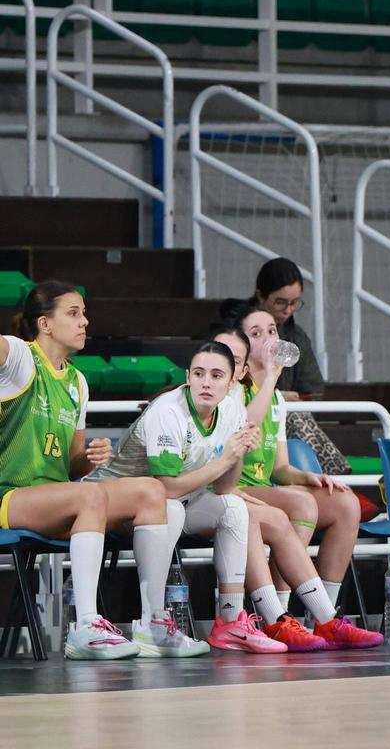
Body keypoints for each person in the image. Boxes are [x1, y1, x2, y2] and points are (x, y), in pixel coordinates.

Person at [0, 281, 185, 659]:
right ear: (45, 324)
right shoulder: (20, 357)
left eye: (84, 313)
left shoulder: (77, 383)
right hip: (10, 498)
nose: (85, 321)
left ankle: (152, 621)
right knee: (90, 495)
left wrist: (90, 456)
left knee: (152, 491)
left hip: (58, 497)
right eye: (73, 313)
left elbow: (70, 467)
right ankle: (84, 625)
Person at [87, 341, 280, 653]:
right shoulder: (168, 411)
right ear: (188, 376)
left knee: (234, 508)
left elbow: (224, 488)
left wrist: (238, 451)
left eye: (217, 375)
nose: (206, 382)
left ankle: (231, 621)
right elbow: (167, 487)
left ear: (232, 383)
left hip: (171, 502)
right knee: (172, 508)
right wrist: (221, 461)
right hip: (114, 505)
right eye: (200, 373)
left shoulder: (232, 409)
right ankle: (151, 622)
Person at [211, 311, 368, 647]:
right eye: (257, 333)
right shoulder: (233, 392)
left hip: (265, 486)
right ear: (239, 349)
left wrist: (310, 476)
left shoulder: (277, 398)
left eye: (272, 329)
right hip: (232, 486)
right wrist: (270, 377)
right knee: (299, 504)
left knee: (344, 504)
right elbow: (243, 428)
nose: (269, 337)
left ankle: (323, 615)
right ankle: (280, 615)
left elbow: (281, 468)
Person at [221, 257, 323, 401]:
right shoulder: (234, 329)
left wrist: (299, 400)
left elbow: (313, 389)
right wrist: (277, 396)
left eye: (294, 303)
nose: (288, 310)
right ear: (261, 296)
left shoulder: (297, 337)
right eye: (280, 302)